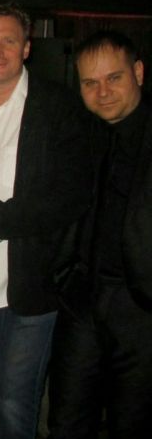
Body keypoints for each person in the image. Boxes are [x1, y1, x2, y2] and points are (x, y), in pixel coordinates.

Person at [0, 1, 92, 439]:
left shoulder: (59, 108)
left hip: (32, 285)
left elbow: (69, 198)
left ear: (26, 47)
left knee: (14, 402)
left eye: (8, 40)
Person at [48, 31, 152, 439]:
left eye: (114, 78)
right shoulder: (79, 133)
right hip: (82, 300)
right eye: (90, 82)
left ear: (138, 72)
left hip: (141, 310)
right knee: (66, 422)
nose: (102, 92)